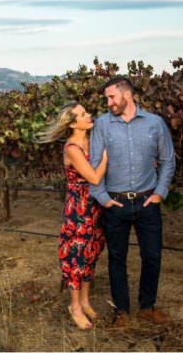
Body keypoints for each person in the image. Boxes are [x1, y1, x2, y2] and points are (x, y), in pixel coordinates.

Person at [89, 76, 175, 328]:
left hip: (148, 201)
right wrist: (103, 198)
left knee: (152, 256)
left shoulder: (155, 124)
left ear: (127, 94)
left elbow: (168, 160)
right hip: (115, 204)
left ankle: (147, 307)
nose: (108, 102)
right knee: (117, 258)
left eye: (111, 97)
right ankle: (121, 312)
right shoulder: (103, 125)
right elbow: (95, 163)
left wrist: (159, 192)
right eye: (107, 98)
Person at [39, 101, 108, 330]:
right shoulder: (72, 148)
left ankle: (86, 302)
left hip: (95, 205)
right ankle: (75, 307)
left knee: (90, 253)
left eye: (87, 111)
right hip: (79, 208)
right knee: (76, 256)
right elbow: (95, 178)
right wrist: (107, 155)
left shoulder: (90, 141)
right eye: (83, 114)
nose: (89, 115)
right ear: (71, 123)